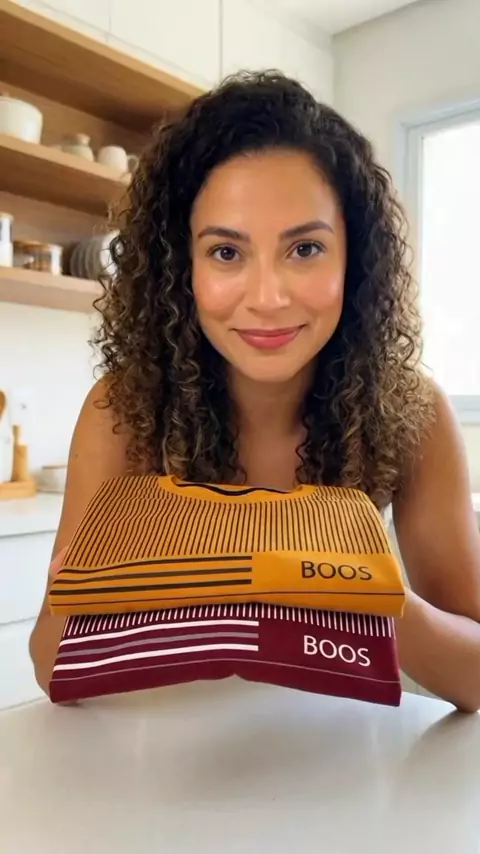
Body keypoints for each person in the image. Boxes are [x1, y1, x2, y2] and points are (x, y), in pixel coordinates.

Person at [30, 72, 480, 711]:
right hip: (169, 744)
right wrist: (85, 598)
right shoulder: (122, 410)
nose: (267, 298)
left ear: (354, 260)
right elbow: (50, 667)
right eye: (225, 253)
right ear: (181, 267)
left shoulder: (411, 414)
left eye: (305, 248)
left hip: (339, 748)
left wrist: (379, 602)